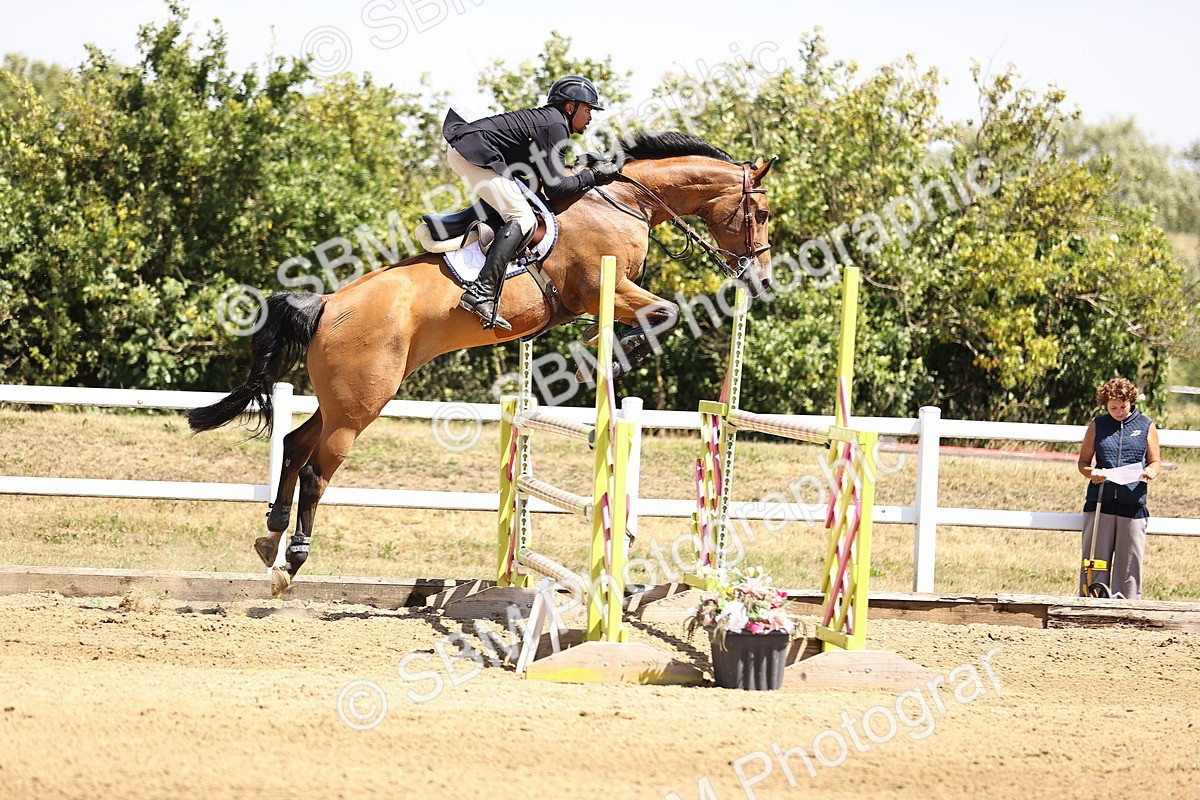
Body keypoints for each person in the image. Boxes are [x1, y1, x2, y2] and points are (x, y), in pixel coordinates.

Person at [441, 75, 622, 331]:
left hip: (472, 149)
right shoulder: (555, 126)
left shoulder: (552, 123)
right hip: (472, 151)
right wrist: (593, 176)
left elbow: (543, 181)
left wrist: (584, 172)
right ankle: (481, 293)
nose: (591, 116)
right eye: (588, 109)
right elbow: (557, 187)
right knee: (523, 218)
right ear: (570, 107)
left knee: (523, 200)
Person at [1076, 377, 1162, 599]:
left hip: (1133, 503)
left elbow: (1155, 461)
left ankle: (1128, 607)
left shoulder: (1146, 425)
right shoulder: (1098, 425)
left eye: (1123, 407)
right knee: (1096, 559)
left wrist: (1152, 471)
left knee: (1129, 563)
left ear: (1130, 401)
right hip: (1101, 501)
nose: (1118, 411)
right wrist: (1092, 473)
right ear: (1105, 404)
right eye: (1113, 407)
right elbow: (1083, 462)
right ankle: (1091, 602)